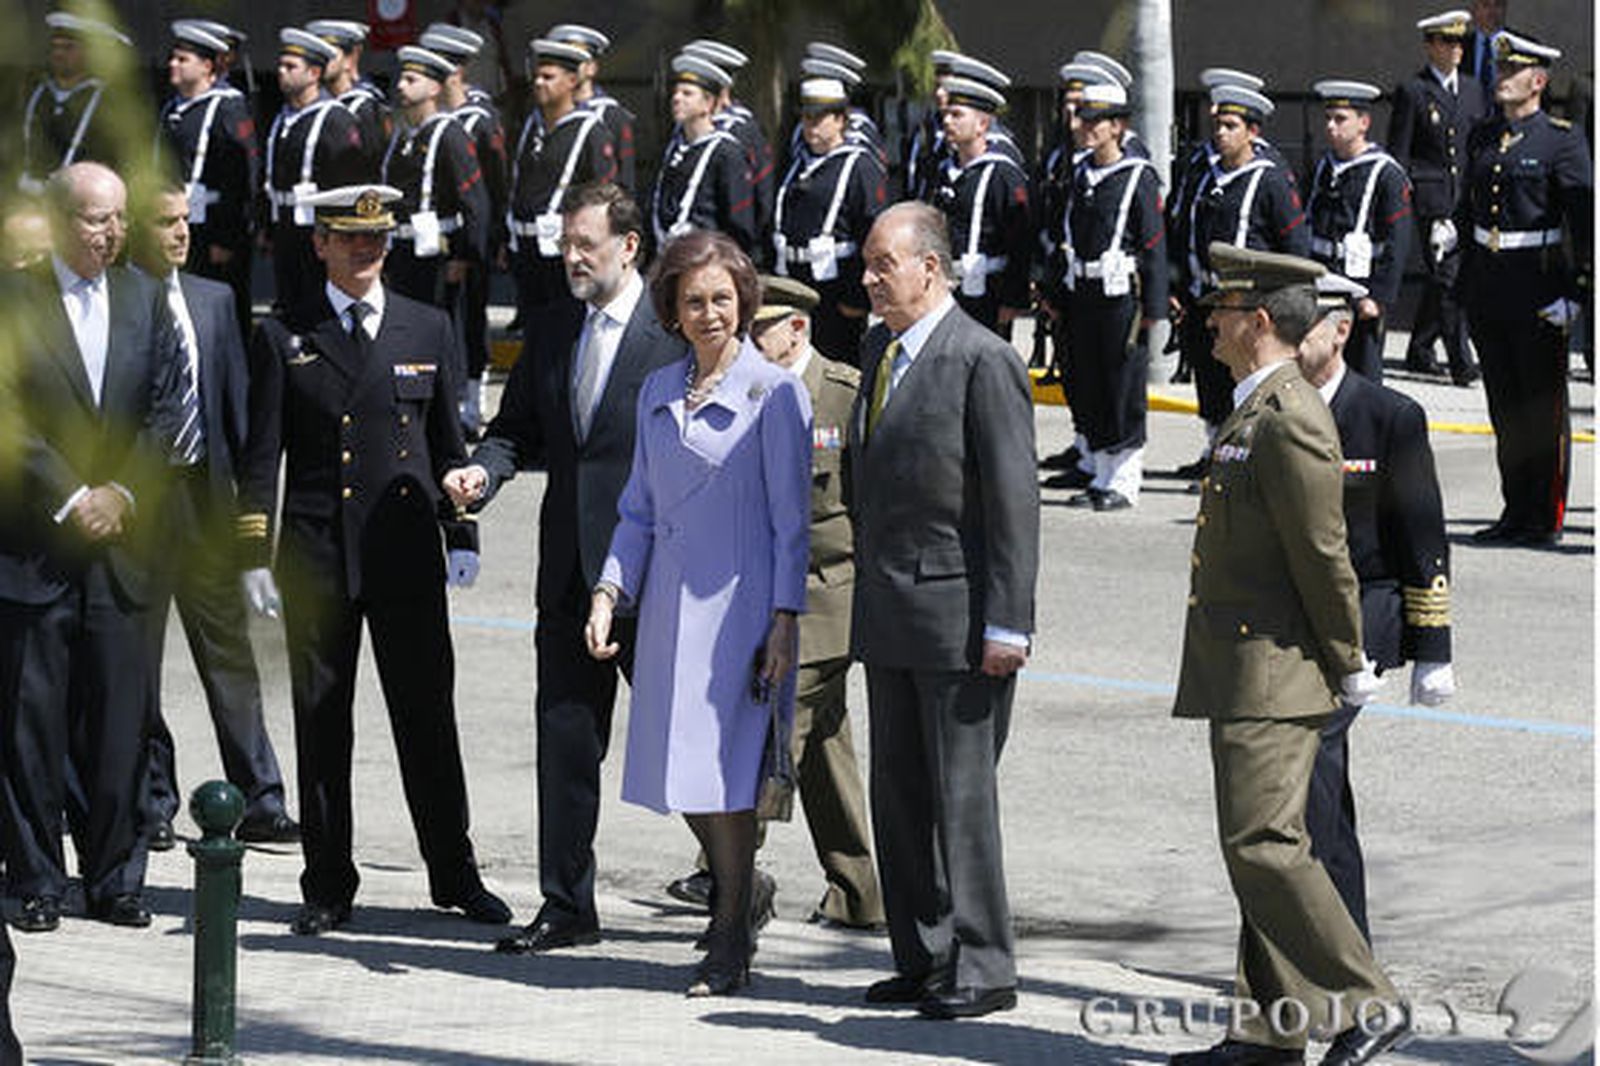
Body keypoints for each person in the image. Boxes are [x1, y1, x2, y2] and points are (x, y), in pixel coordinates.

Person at [235, 184, 510, 936]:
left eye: (378, 238)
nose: (367, 251)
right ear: (319, 243)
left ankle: (454, 874)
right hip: (319, 554)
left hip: (404, 554)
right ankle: (327, 881)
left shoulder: (426, 326)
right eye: (350, 239)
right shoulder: (285, 332)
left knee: (427, 719)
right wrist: (252, 555)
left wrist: (463, 536)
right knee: (323, 726)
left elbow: (450, 448)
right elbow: (262, 457)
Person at [1169, 243, 1407, 1066]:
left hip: (1279, 669)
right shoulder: (1255, 407)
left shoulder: (1290, 415)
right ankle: (1271, 1032)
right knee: (1255, 846)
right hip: (1244, 665)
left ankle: (1366, 1003)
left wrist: (1348, 659)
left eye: (1223, 311)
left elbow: (1323, 552)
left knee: (1267, 844)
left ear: (1258, 322)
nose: (1211, 321)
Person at [441, 182, 685, 954]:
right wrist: (485, 471)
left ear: (629, 247)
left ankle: (737, 885)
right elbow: (516, 433)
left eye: (586, 245)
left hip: (654, 576)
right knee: (567, 743)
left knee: (685, 744)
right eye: (565, 245)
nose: (571, 258)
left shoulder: (675, 333)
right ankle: (567, 904)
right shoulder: (552, 329)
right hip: (571, 578)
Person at [584, 230, 810, 996]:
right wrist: (611, 590)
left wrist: (785, 618)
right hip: (672, 614)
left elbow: (791, 524)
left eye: (722, 298)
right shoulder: (657, 392)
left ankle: (729, 929)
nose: (710, 313)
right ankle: (742, 893)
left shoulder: (774, 393)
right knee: (681, 776)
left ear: (744, 303)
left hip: (742, 615)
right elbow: (638, 511)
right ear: (672, 312)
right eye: (693, 302)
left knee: (726, 778)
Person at [851, 203, 1039, 1020]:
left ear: (928, 267)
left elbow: (1012, 502)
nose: (867, 278)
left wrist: (1009, 622)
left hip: (959, 618)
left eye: (881, 263)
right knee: (898, 798)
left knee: (962, 802)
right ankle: (923, 955)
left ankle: (985, 963)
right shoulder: (878, 350)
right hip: (889, 610)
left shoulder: (982, 359)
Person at [663, 277, 886, 931]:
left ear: (798, 330)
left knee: (764, 741)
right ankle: (858, 890)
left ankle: (726, 879)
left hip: (824, 599)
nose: (746, 342)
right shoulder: (740, 391)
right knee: (823, 751)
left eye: (761, 330)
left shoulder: (842, 395)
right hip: (752, 599)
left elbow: (869, 501)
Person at [0, 162, 184, 933]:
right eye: (92, 220)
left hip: (124, 548)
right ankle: (38, 879)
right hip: (35, 547)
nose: (108, 233)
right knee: (30, 725)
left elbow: (170, 407)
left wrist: (122, 493)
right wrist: (74, 494)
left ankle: (116, 879)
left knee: (120, 721)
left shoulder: (145, 299)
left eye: (116, 219)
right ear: (58, 219)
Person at [129, 179, 298, 851]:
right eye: (164, 222)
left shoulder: (215, 300)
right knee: (136, 665)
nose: (180, 233)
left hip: (205, 502)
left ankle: (261, 796)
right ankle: (153, 802)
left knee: (229, 654)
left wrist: (246, 518)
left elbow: (238, 415)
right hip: (142, 508)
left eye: (185, 220)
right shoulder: (116, 306)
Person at [1296, 272, 1455, 939]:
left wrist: (1432, 650)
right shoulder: (1271, 406)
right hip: (1291, 621)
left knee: (1302, 782)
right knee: (1315, 789)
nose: (1283, 334)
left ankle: (1333, 951)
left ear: (1341, 329)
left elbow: (1423, 536)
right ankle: (1329, 944)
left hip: (1365, 614)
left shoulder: (1388, 416)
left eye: (1302, 322)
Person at [1456, 30, 1592, 547]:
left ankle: (1545, 516)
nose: (1502, 77)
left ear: (1538, 80)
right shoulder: (1483, 136)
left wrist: (1577, 293)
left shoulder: (1561, 138)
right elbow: (1470, 209)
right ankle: (1515, 510)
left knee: (1541, 410)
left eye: (1513, 71)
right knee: (1506, 410)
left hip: (1539, 291)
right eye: (1500, 68)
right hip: (1490, 291)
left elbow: (1585, 223)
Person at [1169, 82, 1308, 485]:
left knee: (1245, 381)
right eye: (1218, 124)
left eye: (1231, 125)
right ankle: (1216, 448)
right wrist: (1177, 288)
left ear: (1253, 132)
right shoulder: (1203, 172)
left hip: (1250, 306)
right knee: (1210, 378)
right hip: (1204, 297)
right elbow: (1182, 228)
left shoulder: (1271, 180)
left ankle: (1246, 460)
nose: (1221, 133)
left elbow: (1294, 244)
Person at [1056, 81, 1167, 510]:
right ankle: (1101, 474)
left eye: (1095, 120)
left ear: (1117, 126)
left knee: (1122, 384)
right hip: (1082, 291)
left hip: (1122, 297)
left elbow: (1155, 244)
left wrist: (1155, 308)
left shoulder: (1138, 176)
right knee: (1091, 382)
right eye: (1082, 118)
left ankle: (1124, 479)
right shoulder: (1082, 173)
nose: (1084, 127)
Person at [1389, 10, 1488, 385]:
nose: (1456, 49)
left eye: (1460, 42)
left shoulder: (1474, 88)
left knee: (1444, 278)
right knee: (1448, 278)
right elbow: (1399, 152)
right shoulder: (1413, 91)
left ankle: (1419, 349)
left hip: (1466, 197)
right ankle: (1462, 363)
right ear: (1430, 45)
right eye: (1447, 42)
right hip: (1432, 200)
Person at [505, 38, 618, 349]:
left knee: (564, 331)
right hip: (527, 243)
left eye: (549, 77)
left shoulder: (590, 129)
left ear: (572, 81)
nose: (539, 83)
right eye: (537, 76)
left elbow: (603, 195)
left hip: (563, 247)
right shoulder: (533, 125)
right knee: (533, 329)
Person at [771, 74, 887, 365]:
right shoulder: (797, 162)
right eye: (807, 118)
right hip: (795, 278)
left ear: (840, 120)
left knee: (836, 369)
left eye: (819, 118)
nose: (810, 126)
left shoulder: (859, 166)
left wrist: (857, 297)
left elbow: (871, 233)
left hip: (835, 288)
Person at [158, 19, 260, 344]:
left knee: (219, 319)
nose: (173, 64)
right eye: (173, 57)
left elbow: (242, 175)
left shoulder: (228, 108)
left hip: (213, 231)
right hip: (179, 224)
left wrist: (227, 238)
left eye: (182, 59)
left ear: (207, 66)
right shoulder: (173, 108)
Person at [1305, 81, 1413, 382]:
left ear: (1363, 123)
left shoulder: (1386, 173)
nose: (1330, 126)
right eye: (1328, 118)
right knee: (1319, 372)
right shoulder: (1323, 167)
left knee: (1362, 376)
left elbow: (1398, 240)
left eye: (1340, 119)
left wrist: (1378, 297)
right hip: (1323, 282)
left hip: (1361, 288)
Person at [261, 28, 367, 318]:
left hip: (317, 232)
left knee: (317, 303)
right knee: (288, 301)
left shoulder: (335, 120)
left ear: (314, 73)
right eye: (281, 65)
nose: (281, 72)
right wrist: (267, 227)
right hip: (285, 226)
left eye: (291, 67)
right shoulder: (283, 118)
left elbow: (350, 182)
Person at [379, 45, 489, 318]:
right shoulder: (403, 136)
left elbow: (474, 201)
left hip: (436, 253)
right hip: (400, 248)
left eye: (411, 80)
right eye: (401, 79)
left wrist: (463, 256)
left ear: (434, 89)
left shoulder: (450, 134)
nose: (401, 86)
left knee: (436, 329)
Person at [932, 75, 1032, 337]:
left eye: (957, 115)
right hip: (948, 289)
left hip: (988, 292)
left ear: (982, 124)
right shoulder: (945, 169)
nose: (947, 122)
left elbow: (1019, 240)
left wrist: (1012, 300)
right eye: (947, 114)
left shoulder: (1002, 173)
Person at [650, 55, 756, 255]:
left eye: (687, 94)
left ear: (708, 103)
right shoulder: (675, 148)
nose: (676, 98)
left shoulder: (726, 153)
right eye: (676, 92)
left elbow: (739, 224)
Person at [15, 13, 130, 196]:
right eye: (55, 47)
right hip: (31, 194)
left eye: (68, 48)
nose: (58, 54)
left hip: (79, 198)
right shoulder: (38, 92)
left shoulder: (104, 101)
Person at [547, 24, 638, 192]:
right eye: (562, 62)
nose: (567, 68)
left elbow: (624, 185)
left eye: (575, 61)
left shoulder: (612, 116)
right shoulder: (544, 113)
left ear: (592, 68)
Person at [306, 19, 390, 170]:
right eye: (317, 54)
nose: (320, 61)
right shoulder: (312, 104)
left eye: (329, 53)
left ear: (351, 58)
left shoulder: (364, 108)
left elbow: (372, 166)